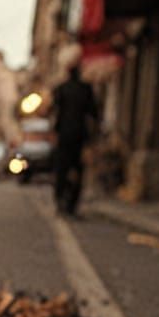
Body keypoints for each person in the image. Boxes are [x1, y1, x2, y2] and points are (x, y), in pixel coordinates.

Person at [51, 64, 98, 216]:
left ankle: (60, 201)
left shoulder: (61, 88)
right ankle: (71, 204)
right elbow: (94, 113)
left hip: (64, 135)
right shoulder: (85, 89)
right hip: (79, 135)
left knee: (62, 170)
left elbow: (54, 111)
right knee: (77, 170)